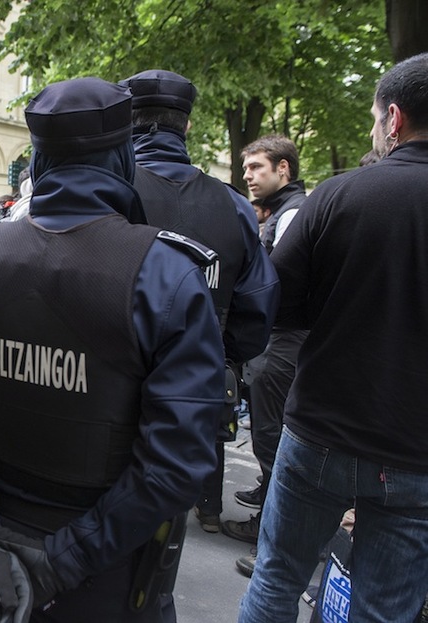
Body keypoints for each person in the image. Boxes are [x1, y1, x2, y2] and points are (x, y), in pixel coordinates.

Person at [0, 77, 224, 623]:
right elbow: (176, 464)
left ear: (38, 158)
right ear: (124, 157)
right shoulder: (167, 279)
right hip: (106, 573)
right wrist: (58, 562)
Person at [239, 52, 428, 623]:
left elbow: (278, 303)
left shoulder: (340, 196)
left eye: (375, 120)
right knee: (385, 611)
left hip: (322, 428)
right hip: (417, 451)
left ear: (393, 120)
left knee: (276, 580)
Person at [122, 69, 280, 536]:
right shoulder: (232, 205)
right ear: (187, 126)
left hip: (116, 378)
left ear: (128, 121)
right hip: (200, 384)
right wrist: (220, 352)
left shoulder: (110, 190)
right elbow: (258, 305)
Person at [224, 135, 308, 552]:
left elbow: (279, 282)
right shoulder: (284, 211)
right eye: (246, 168)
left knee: (272, 434)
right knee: (266, 429)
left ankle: (270, 530)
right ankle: (267, 497)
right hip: (278, 339)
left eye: (256, 167)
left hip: (282, 341)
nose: (248, 175)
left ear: (283, 169)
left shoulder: (293, 214)